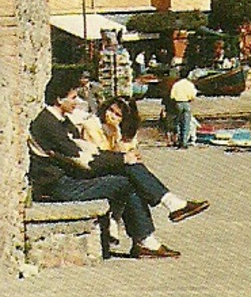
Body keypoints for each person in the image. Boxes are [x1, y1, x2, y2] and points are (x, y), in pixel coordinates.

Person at [29, 74, 180, 258]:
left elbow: (89, 150)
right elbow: (82, 158)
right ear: (59, 99)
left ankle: (156, 225)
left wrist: (122, 158)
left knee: (128, 174)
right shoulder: (48, 125)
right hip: (58, 186)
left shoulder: (62, 121)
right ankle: (156, 225)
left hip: (69, 179)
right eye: (74, 98)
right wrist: (122, 159)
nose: (77, 103)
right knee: (125, 181)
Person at [82, 97, 209, 232]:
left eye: (117, 115)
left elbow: (130, 152)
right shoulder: (92, 125)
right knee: (131, 171)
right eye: (110, 110)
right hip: (93, 170)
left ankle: (145, 239)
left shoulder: (124, 131)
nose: (111, 115)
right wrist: (117, 136)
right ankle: (170, 205)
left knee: (133, 185)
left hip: (113, 169)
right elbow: (100, 156)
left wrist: (120, 137)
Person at [168, 69, 197, 148]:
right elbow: (193, 96)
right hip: (186, 103)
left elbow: (172, 96)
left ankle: (177, 140)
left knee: (177, 122)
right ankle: (184, 142)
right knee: (186, 124)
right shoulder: (190, 84)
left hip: (178, 103)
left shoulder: (176, 85)